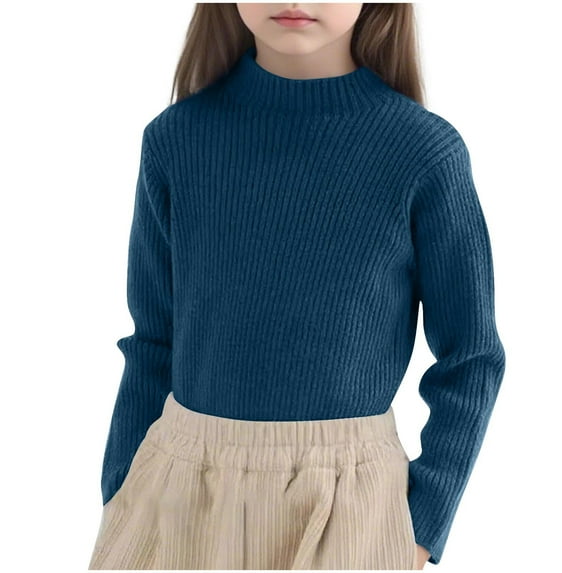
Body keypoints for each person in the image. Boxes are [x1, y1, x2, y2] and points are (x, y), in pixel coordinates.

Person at [87, 3, 506, 570]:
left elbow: (472, 355)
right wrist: (120, 491)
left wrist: (423, 526)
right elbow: (154, 341)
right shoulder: (176, 140)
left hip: (349, 509)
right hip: (177, 492)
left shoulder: (422, 152)